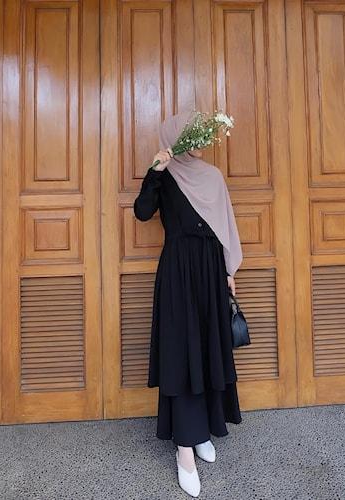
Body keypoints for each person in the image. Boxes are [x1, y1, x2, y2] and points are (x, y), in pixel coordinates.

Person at [133, 110, 243, 497]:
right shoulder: (166, 174)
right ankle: (184, 449)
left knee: (208, 348)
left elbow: (223, 225)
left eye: (201, 136)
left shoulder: (212, 176)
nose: (199, 143)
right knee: (182, 352)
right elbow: (142, 212)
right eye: (192, 136)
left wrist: (228, 271)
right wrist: (155, 171)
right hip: (178, 272)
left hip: (210, 271)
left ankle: (202, 432)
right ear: (176, 137)